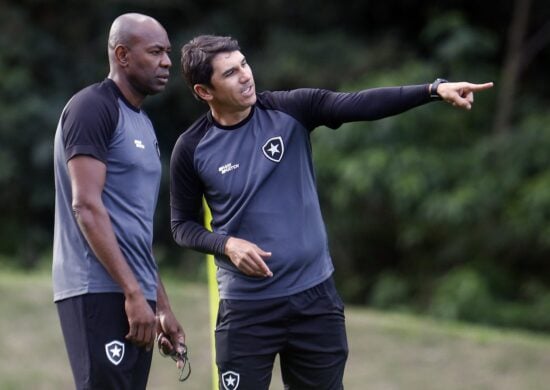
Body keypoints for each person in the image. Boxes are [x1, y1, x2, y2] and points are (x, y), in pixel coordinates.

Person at [170, 34, 493, 390]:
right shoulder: (191, 148)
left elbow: (357, 103)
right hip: (247, 310)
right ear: (204, 91)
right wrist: (226, 244)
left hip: (315, 301)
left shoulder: (289, 110)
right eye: (230, 73)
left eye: (244, 64)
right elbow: (182, 226)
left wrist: (433, 90)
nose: (246, 75)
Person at [53, 13, 186, 390]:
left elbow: (132, 228)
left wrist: (160, 305)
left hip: (134, 293)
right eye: (156, 52)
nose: (166, 62)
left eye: (168, 53)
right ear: (123, 55)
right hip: (96, 287)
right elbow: (86, 206)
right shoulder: (92, 108)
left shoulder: (142, 121)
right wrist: (132, 292)